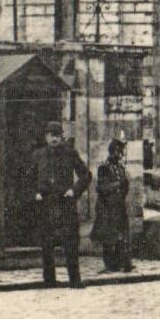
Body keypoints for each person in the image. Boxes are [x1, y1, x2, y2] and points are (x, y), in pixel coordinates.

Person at [33, 120, 91, 288]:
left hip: (65, 204)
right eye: (51, 135)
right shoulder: (38, 155)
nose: (54, 139)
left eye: (57, 135)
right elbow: (26, 178)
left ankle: (75, 279)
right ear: (46, 137)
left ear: (62, 137)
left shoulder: (70, 154)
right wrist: (35, 193)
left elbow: (86, 175)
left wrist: (74, 190)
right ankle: (49, 280)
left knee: (71, 243)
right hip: (46, 204)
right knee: (46, 244)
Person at [92, 138, 133, 273]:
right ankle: (109, 265)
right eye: (117, 152)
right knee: (108, 237)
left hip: (118, 206)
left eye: (121, 152)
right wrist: (117, 185)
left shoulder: (121, 168)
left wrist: (123, 188)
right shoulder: (103, 168)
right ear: (111, 151)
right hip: (106, 208)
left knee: (122, 235)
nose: (120, 155)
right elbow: (101, 187)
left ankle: (122, 262)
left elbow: (125, 188)